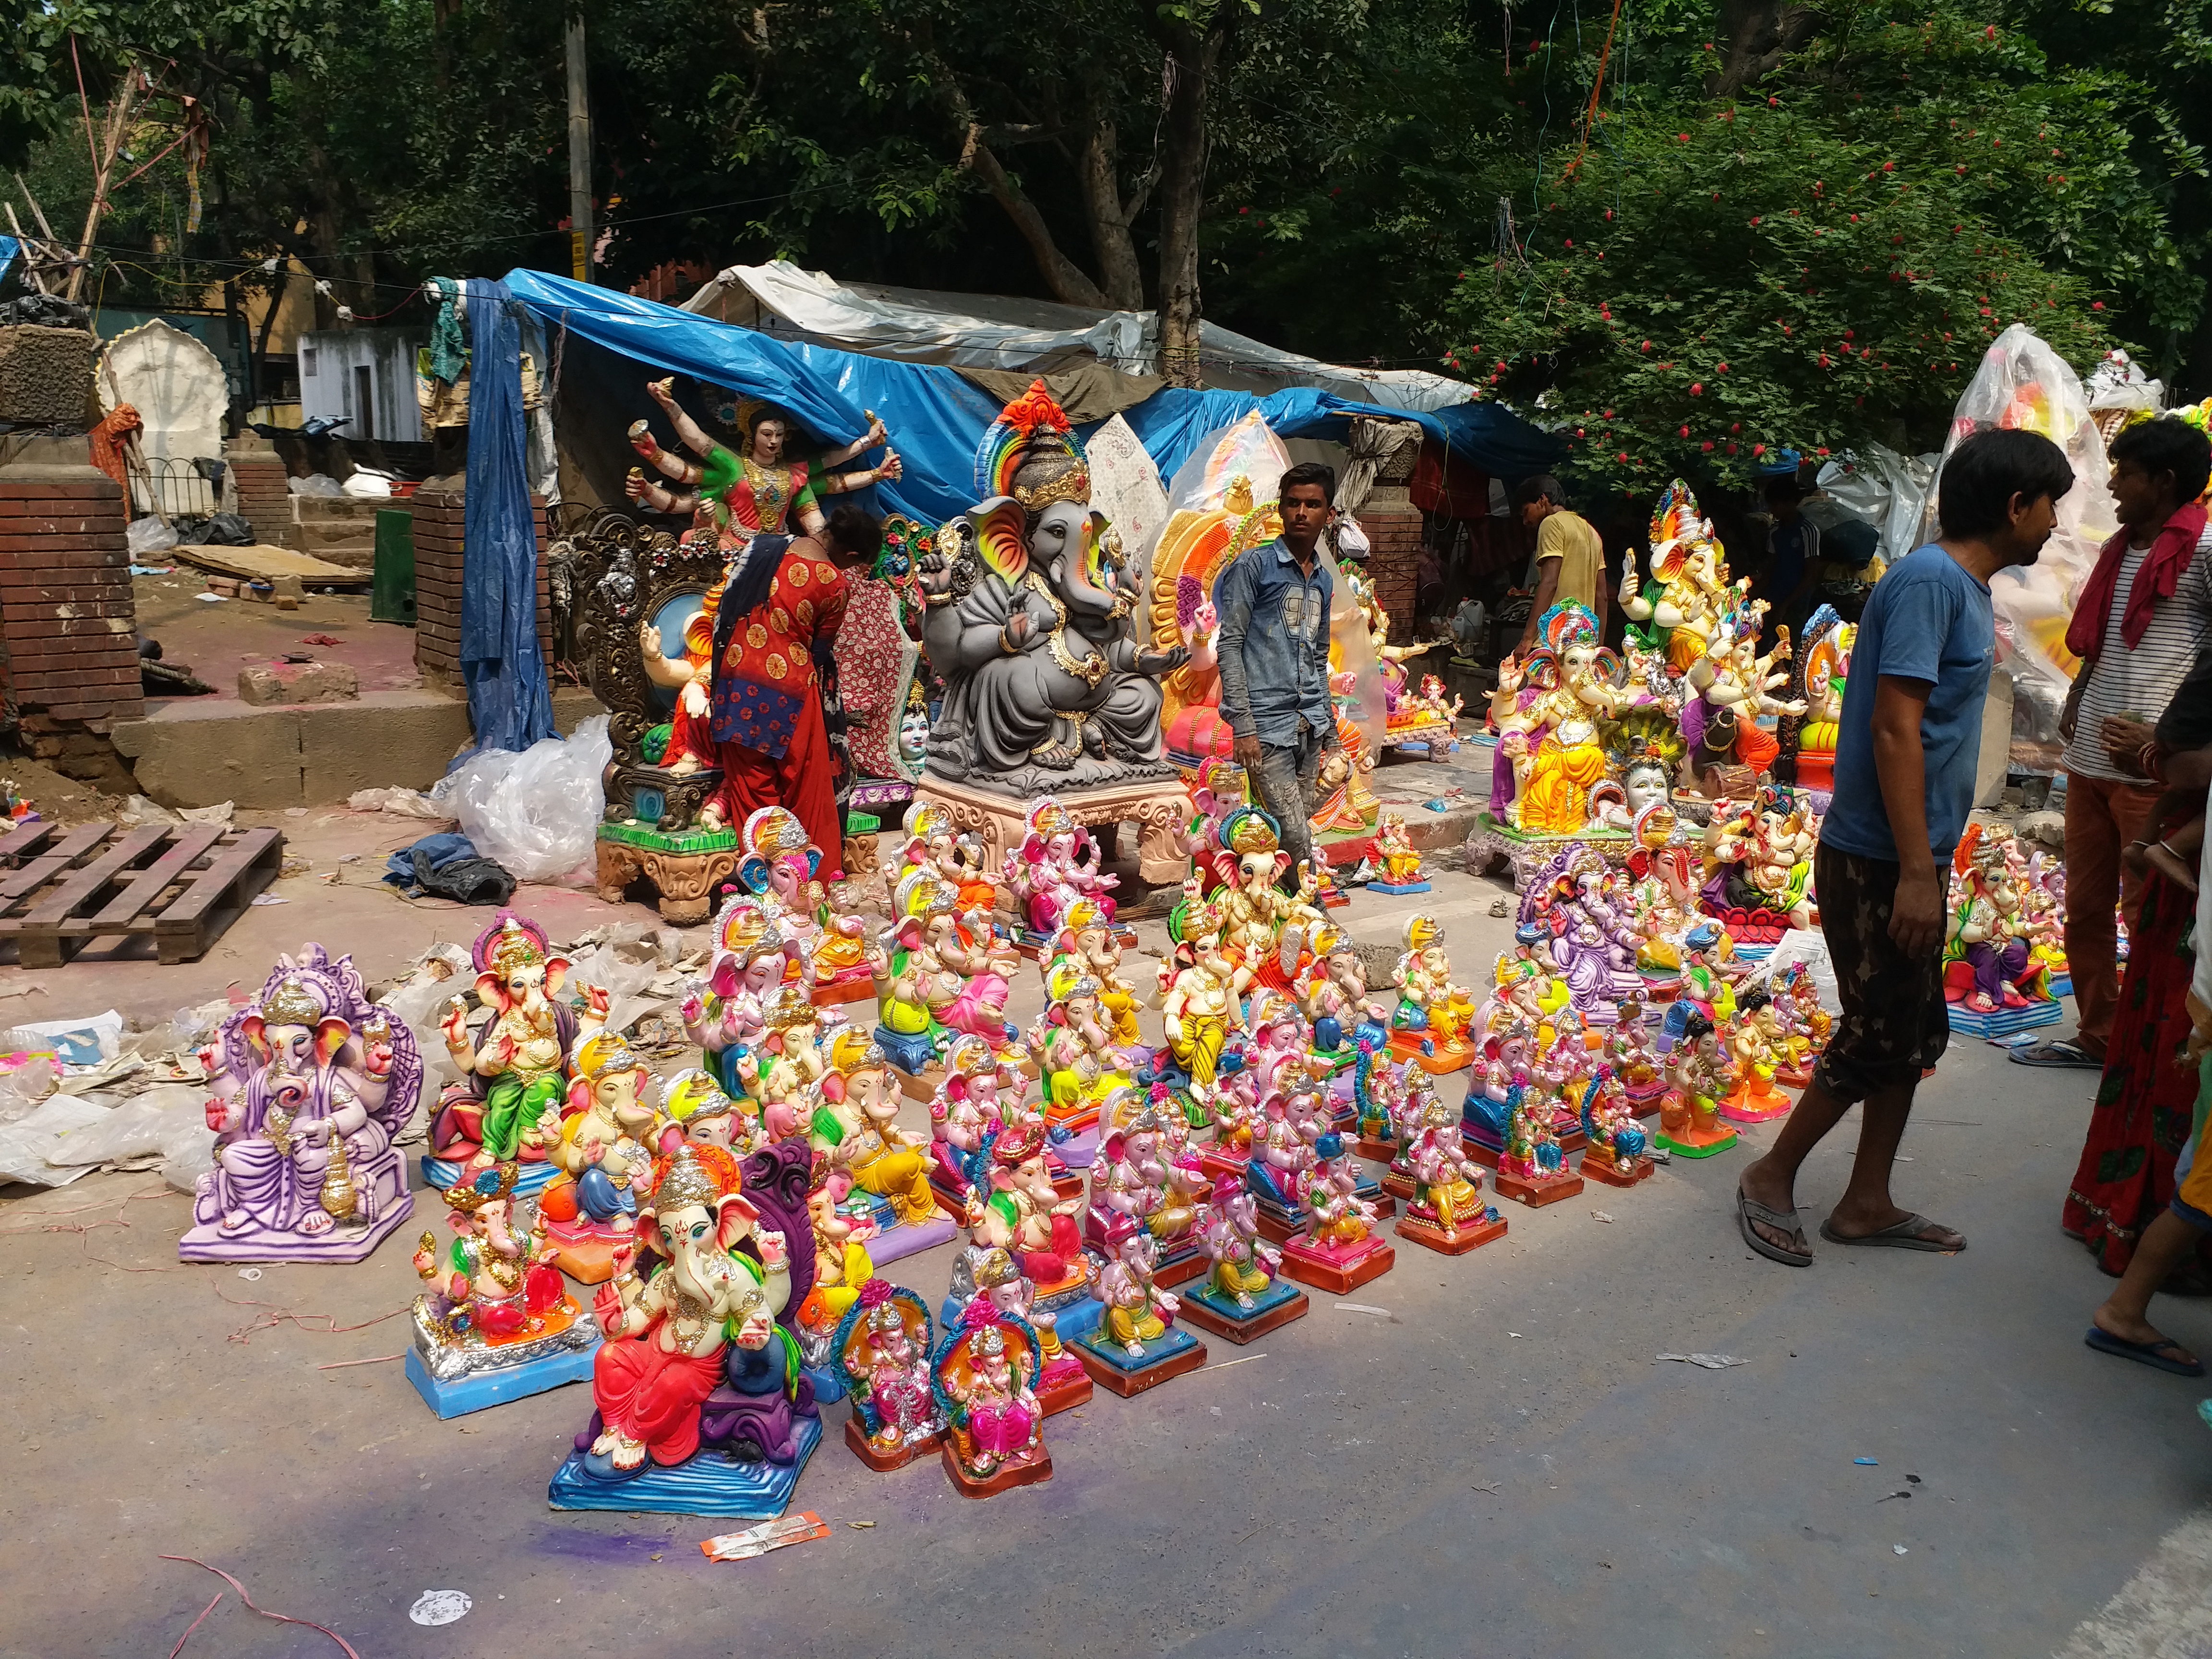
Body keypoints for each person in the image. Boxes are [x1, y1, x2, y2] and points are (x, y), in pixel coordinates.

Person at [1736, 427, 2072, 1266]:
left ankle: (1865, 1200)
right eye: (2050, 503)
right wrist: (1917, 872)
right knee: (1875, 1028)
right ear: (2013, 505)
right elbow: (1894, 729)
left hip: (1908, 851)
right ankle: (1770, 1174)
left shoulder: (1962, 588)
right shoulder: (1930, 583)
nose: (2057, 522)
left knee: (1911, 1029)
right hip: (1878, 854)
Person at [2016, 417, 2212, 1070]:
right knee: (2084, 910)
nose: (2114, 485)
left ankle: (2150, 1046)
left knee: (2146, 916)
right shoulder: (2121, 549)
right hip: (2090, 761)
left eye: (2126, 473)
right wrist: (2078, 695)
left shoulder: (2206, 549)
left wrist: (2166, 735)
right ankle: (2098, 1036)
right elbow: (2101, 641)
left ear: (2166, 481)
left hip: (2150, 768)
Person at [2067, 649, 2212, 1304]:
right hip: (2190, 881)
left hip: (2183, 859)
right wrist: (2158, 752)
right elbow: (2185, 759)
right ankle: (2153, 1228)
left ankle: (2132, 1215)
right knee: (2178, 1043)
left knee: (2169, 1036)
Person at [701, 502, 881, 866]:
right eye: (857, 564)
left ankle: (764, 878)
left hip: (737, 681)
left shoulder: (763, 548)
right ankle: (808, 878)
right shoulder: (834, 583)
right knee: (805, 787)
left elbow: (726, 607)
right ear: (849, 554)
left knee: (752, 784)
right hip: (792, 692)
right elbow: (819, 650)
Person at [1214, 461, 1344, 880]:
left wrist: (1333, 737)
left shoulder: (1323, 579)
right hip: (1266, 725)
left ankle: (1279, 910)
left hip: (1310, 722)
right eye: (1293, 503)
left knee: (1295, 827)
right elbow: (1230, 645)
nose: (1301, 513)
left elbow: (1319, 657)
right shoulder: (1255, 567)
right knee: (1294, 833)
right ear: (1281, 509)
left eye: (1312, 504)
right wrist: (1243, 725)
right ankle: (1316, 913)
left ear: (1328, 513)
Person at [1513, 475, 1609, 653]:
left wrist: (1526, 639)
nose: (1526, 521)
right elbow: (1602, 596)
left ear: (1542, 500)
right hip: (1584, 644)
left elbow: (1549, 583)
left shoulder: (1551, 524)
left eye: (1526, 511)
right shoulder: (1591, 531)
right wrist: (1598, 646)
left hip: (1553, 639)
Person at [1757, 474, 1821, 642]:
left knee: (1793, 643)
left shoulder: (1808, 531)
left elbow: (1810, 575)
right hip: (1774, 597)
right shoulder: (1775, 532)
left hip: (1797, 602)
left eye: (1775, 505)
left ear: (1790, 503)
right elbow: (1770, 568)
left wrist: (1786, 605)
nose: (1772, 510)